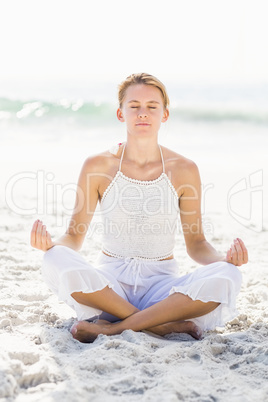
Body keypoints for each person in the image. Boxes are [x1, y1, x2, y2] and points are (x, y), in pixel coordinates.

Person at [31, 73, 248, 342]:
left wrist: (223, 259)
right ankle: (159, 325)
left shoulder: (185, 169)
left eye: (152, 107)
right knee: (53, 258)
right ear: (121, 113)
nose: (142, 113)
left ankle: (113, 326)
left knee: (228, 275)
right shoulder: (98, 165)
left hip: (161, 288)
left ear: (164, 114)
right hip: (111, 286)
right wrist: (52, 243)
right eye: (134, 106)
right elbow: (74, 237)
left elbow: (197, 244)